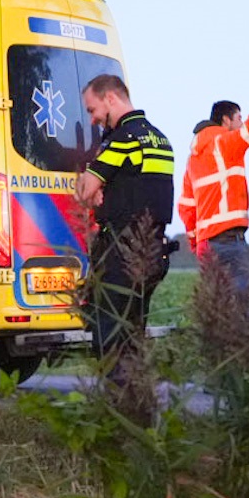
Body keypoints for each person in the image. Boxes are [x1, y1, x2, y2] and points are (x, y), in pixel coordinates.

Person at [76, 73, 176, 366]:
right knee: (133, 335)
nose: (93, 120)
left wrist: (87, 179)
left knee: (110, 338)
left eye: (93, 110)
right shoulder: (160, 139)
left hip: (120, 253)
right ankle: (135, 400)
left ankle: (114, 402)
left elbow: (85, 191)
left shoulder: (123, 140)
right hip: (152, 251)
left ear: (111, 98)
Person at [179, 69, 249, 288]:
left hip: (206, 244)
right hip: (229, 240)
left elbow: (186, 206)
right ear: (226, 120)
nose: (241, 123)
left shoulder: (193, 158)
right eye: (239, 118)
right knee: (247, 304)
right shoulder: (224, 143)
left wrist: (195, 241)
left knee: (217, 306)